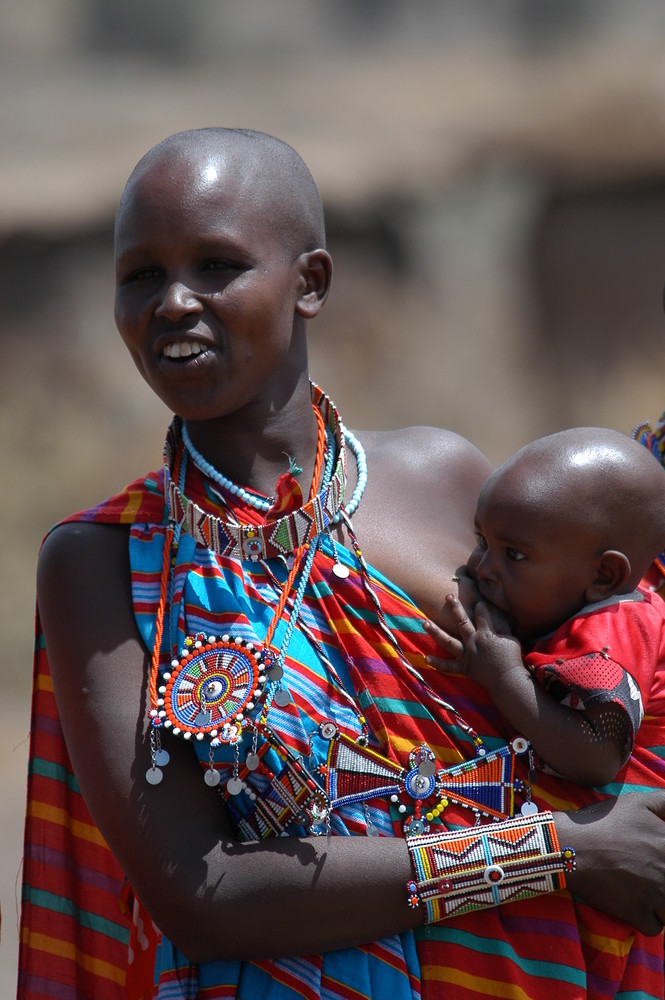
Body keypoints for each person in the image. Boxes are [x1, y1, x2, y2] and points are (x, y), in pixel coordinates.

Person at [18, 128, 665, 1000]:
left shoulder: (449, 481)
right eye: (140, 274)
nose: (173, 301)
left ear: (310, 282)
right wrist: (555, 854)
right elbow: (203, 897)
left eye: (216, 266)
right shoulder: (103, 563)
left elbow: (599, 712)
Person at [425, 427, 665, 790]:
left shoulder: (616, 626)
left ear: (604, 575)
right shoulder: (569, 608)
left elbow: (598, 757)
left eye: (515, 555)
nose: (481, 568)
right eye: (482, 541)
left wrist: (505, 677)